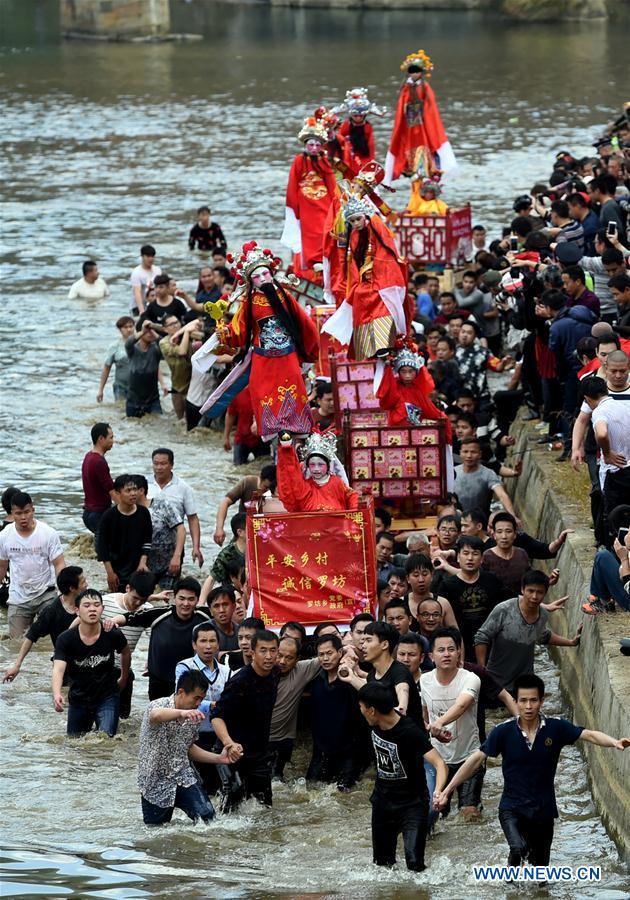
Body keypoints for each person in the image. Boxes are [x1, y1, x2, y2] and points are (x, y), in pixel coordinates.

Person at [435, 673, 630, 867]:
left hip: (543, 811)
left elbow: (588, 735)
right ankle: (510, 889)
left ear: (542, 701)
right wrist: (447, 790)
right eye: (523, 701)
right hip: (512, 808)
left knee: (540, 872)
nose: (528, 707)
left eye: (533, 701)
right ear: (516, 702)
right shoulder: (503, 731)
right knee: (518, 848)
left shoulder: (556, 728)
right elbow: (475, 760)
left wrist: (614, 742)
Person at [192, 242, 319, 440]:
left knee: (294, 403)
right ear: (250, 281)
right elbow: (239, 332)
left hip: (287, 359)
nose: (262, 279)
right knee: (265, 400)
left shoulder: (285, 296)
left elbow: (306, 326)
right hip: (263, 361)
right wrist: (222, 330)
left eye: (265, 274)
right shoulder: (248, 302)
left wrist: (310, 353)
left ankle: (297, 434)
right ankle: (275, 437)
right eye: (257, 277)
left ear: (271, 273)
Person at [359, 681, 448, 872]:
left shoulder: (410, 731)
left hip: (412, 805)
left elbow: (440, 763)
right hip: (382, 803)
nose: (361, 711)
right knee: (383, 866)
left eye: (362, 708)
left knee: (415, 865)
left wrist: (439, 792)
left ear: (372, 710)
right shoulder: (374, 720)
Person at [138, 669, 234, 825]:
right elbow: (156, 715)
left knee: (208, 819)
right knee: (156, 832)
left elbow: (188, 749)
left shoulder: (193, 716)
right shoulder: (158, 705)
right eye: (195, 698)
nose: (198, 704)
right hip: (154, 782)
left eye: (201, 700)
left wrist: (219, 758)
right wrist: (182, 713)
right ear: (181, 692)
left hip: (183, 777)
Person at [322, 191, 407, 361]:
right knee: (359, 297)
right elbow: (353, 262)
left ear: (365, 217)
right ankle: (366, 346)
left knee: (379, 300)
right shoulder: (354, 235)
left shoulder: (376, 226)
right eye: (352, 221)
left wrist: (376, 277)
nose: (355, 223)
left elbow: (385, 253)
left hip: (382, 276)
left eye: (358, 219)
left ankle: (384, 344)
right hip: (364, 278)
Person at [474, 571, 581, 692]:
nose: (534, 597)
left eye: (539, 592)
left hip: (524, 681)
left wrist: (571, 642)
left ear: (545, 593)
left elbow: (544, 636)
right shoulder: (504, 610)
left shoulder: (543, 615)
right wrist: (482, 671)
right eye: (530, 591)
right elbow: (482, 637)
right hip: (496, 679)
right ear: (522, 590)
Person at [211, 630, 281, 810]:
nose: (268, 656)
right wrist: (229, 744)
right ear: (252, 652)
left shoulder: (275, 672)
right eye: (263, 651)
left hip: (258, 754)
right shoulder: (239, 681)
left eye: (273, 651)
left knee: (265, 808)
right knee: (231, 803)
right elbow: (217, 716)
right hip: (231, 752)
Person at [420, 628, 483, 818]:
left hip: (469, 755)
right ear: (431, 656)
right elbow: (423, 715)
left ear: (458, 653)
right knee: (437, 812)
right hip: (438, 759)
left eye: (451, 649)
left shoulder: (470, 678)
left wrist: (438, 722)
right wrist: (432, 729)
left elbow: (462, 704)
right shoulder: (424, 680)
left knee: (469, 813)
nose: (446, 654)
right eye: (441, 650)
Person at [52, 588, 130, 737]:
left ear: (103, 609)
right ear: (77, 610)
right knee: (75, 743)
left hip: (107, 696)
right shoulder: (66, 639)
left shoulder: (112, 633)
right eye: (86, 605)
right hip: (79, 698)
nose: (92, 609)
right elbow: (58, 669)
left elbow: (125, 652)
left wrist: (124, 676)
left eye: (96, 605)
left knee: (105, 738)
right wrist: (56, 694)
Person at [119, 576, 210, 700]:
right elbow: (129, 617)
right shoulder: (160, 614)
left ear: (198, 600)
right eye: (181, 598)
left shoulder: (205, 616)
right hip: (159, 680)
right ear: (174, 598)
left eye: (191, 599)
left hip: (191, 683)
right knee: (157, 717)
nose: (186, 604)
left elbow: (226, 614)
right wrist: (112, 621)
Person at [174, 621, 232, 791]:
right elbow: (182, 701)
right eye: (203, 641)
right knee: (198, 785)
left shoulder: (226, 671)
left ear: (218, 644)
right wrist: (212, 705)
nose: (208, 646)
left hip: (218, 736)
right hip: (192, 735)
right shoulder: (184, 667)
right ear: (194, 644)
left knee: (220, 787)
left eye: (212, 641)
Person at [385, 48, 456, 184]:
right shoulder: (406, 87)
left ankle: (427, 178)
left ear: (421, 73)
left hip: (423, 125)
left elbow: (430, 107)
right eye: (412, 71)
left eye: (417, 71)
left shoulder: (424, 87)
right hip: (410, 125)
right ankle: (413, 177)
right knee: (409, 152)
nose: (414, 74)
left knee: (424, 150)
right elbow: (402, 105)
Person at [3, 566, 85, 683]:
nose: (86, 584)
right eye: (83, 582)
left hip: (87, 661)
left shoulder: (88, 601)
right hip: (64, 666)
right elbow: (31, 636)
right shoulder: (52, 611)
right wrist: (17, 666)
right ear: (72, 588)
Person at [0, 491, 65, 638]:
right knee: (16, 642)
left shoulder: (48, 533)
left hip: (46, 594)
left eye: (27, 512)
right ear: (12, 513)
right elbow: (1, 567)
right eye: (18, 513)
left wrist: (64, 592)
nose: (23, 517)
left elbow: (59, 564)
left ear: (33, 510)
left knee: (52, 640)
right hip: (18, 596)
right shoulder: (4, 536)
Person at [101, 569, 165, 718]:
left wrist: (152, 662)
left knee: (123, 719)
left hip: (124, 670)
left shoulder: (147, 611)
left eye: (142, 600)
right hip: (99, 668)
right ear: (128, 588)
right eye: (135, 598)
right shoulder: (105, 602)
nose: (137, 603)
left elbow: (156, 638)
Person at [281, 115, 338, 276]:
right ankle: (312, 261)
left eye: (317, 145)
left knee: (324, 230)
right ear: (306, 145)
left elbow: (331, 183)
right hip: (305, 202)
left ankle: (324, 257)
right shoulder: (299, 160)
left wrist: (336, 203)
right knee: (309, 233)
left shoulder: (324, 161)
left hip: (323, 201)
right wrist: (293, 207)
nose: (313, 148)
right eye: (311, 144)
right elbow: (293, 184)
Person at [308, 634, 364, 791]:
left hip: (348, 750)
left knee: (344, 793)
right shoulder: (316, 678)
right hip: (321, 750)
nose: (325, 658)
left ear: (340, 653)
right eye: (321, 654)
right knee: (311, 790)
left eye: (329, 653)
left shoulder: (350, 678)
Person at [438, 535, 506, 660]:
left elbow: (510, 601)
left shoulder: (491, 580)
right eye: (465, 553)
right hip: (461, 643)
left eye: (475, 554)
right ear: (458, 557)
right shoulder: (447, 586)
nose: (470, 558)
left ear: (481, 558)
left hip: (490, 642)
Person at [582, 377, 630, 542]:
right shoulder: (623, 407)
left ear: (587, 399)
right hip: (628, 467)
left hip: (615, 473)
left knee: (614, 518)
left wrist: (607, 452)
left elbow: (601, 433)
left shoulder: (599, 412)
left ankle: (614, 553)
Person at [269, 636, 321, 779]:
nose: (282, 662)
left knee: (277, 779)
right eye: (279, 655)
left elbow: (330, 655)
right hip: (258, 739)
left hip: (283, 740)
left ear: (297, 659)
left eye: (289, 658)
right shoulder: (259, 670)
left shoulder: (301, 670)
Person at [147, 448, 203, 568]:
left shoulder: (183, 488)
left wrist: (196, 547)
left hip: (173, 547)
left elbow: (192, 519)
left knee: (170, 585)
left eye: (163, 464)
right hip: (147, 546)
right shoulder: (144, 485)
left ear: (172, 465)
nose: (159, 467)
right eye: (155, 463)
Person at [277, 430, 359, 512]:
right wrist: (286, 450)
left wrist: (352, 512)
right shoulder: (305, 488)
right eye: (312, 464)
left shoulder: (337, 483)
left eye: (320, 464)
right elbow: (291, 473)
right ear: (308, 466)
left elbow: (352, 496)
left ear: (328, 465)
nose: (316, 469)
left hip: (336, 524)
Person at [97, 474, 152, 593]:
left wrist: (142, 563)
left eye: (135, 489)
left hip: (137, 566)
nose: (133, 493)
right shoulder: (108, 516)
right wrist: (110, 573)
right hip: (117, 568)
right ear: (118, 493)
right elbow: (102, 547)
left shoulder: (143, 513)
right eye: (128, 490)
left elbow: (147, 541)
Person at [134, 475, 185, 590]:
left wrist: (177, 556)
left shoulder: (162, 505)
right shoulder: (129, 511)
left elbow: (181, 529)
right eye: (127, 490)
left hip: (168, 563)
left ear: (141, 490)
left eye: (133, 490)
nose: (130, 494)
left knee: (167, 596)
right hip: (143, 565)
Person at [454, 438, 520, 519]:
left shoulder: (488, 474)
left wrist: (513, 516)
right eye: (465, 452)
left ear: (480, 454)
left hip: (480, 521)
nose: (469, 456)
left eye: (473, 452)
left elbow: (502, 495)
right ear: (460, 453)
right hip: (456, 520)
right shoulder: (453, 472)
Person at [213, 464, 276, 546]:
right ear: (260, 478)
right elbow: (225, 502)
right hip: (244, 533)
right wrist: (219, 528)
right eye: (265, 487)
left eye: (270, 488)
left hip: (267, 535)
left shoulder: (276, 491)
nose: (267, 491)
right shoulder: (248, 482)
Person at [482, 512, 532, 597]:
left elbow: (529, 580)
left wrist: (548, 580)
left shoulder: (521, 554)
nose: (504, 536)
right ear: (494, 535)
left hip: (519, 605)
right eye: (499, 532)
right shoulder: (487, 557)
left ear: (515, 534)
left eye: (508, 531)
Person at [81, 422, 115, 542]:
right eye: (111, 437)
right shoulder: (99, 462)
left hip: (88, 513)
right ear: (101, 439)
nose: (113, 441)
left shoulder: (88, 456)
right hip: (99, 514)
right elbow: (111, 490)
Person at [125, 320, 164, 417]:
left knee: (157, 422)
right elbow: (128, 343)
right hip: (133, 399)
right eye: (148, 332)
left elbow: (164, 345)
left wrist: (153, 331)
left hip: (153, 399)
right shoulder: (133, 349)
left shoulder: (155, 349)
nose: (150, 334)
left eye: (152, 332)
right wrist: (143, 331)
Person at [223, 386, 270, 465]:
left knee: (263, 467)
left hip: (262, 438)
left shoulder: (267, 393)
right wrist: (226, 437)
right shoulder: (237, 393)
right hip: (242, 438)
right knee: (238, 468)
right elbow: (230, 414)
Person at [203, 514, 246, 595]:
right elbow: (212, 579)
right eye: (251, 528)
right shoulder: (227, 553)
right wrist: (201, 604)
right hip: (232, 596)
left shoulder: (257, 548)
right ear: (240, 532)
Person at [97, 316, 135, 402]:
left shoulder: (141, 344)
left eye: (131, 326)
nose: (129, 329)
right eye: (125, 327)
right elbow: (106, 368)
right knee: (120, 410)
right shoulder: (114, 346)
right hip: (120, 386)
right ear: (120, 329)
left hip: (138, 386)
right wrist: (100, 390)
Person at [206, 585, 240, 651]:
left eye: (225, 605)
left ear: (234, 606)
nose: (221, 610)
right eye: (216, 606)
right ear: (210, 611)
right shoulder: (202, 631)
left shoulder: (240, 632)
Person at [130, 244, 161, 315]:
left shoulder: (157, 270)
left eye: (152, 256)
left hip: (153, 303)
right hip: (137, 306)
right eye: (148, 256)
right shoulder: (136, 272)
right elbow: (137, 292)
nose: (150, 259)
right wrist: (142, 311)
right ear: (142, 256)